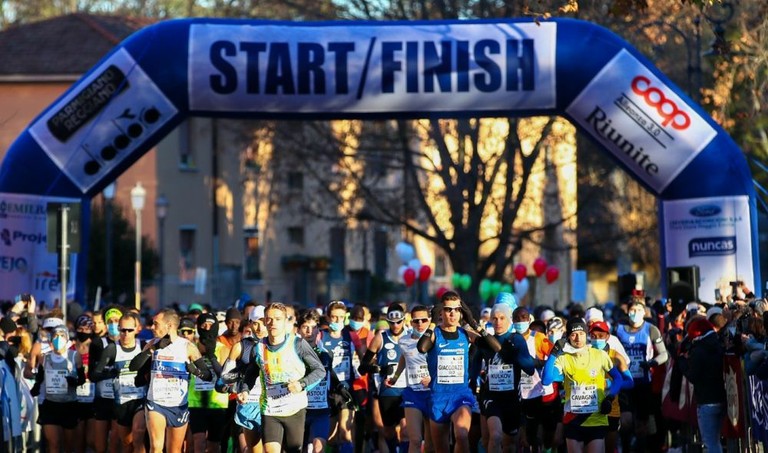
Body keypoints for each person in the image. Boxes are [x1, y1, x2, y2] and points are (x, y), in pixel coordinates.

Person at [417, 291, 501, 453]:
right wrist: (433, 323)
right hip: (438, 396)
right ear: (441, 311)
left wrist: (474, 323)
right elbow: (422, 347)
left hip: (460, 395)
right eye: (448, 309)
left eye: (456, 309)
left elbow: (496, 348)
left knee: (462, 436)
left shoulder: (465, 334)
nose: (453, 313)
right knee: (440, 448)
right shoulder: (435, 334)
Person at [240, 302, 326, 453]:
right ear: (265, 321)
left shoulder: (297, 344)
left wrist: (302, 384)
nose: (273, 323)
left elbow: (319, 370)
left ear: (286, 321)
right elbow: (251, 373)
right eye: (269, 319)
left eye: (278, 319)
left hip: (295, 409)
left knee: (293, 450)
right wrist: (245, 389)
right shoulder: (258, 348)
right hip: (270, 409)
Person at [129, 308, 214, 453]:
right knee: (156, 447)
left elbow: (208, 375)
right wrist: (153, 349)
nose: (152, 327)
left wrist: (194, 370)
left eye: (156, 324)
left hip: (178, 405)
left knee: (174, 450)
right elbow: (133, 366)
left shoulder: (187, 346)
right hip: (156, 402)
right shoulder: (152, 343)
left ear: (169, 325)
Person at [542, 318, 627, 453]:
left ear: (586, 334)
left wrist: (610, 397)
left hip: (596, 418)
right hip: (573, 420)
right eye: (573, 334)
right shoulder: (564, 358)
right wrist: (554, 351)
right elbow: (546, 380)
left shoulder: (600, 355)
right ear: (568, 336)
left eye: (581, 333)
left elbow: (618, 378)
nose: (578, 338)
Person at [476, 303, 535, 453]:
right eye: (494, 318)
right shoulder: (485, 341)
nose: (498, 322)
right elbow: (473, 367)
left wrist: (517, 355)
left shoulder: (517, 340)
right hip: (491, 397)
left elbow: (529, 369)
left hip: (512, 399)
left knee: (510, 445)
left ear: (509, 320)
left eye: (502, 318)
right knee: (495, 437)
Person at [90, 311, 148, 453]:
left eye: (130, 330)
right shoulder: (112, 349)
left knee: (138, 434)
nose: (126, 334)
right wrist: (110, 373)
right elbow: (94, 375)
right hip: (121, 401)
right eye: (122, 330)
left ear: (137, 329)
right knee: (126, 442)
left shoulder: (144, 346)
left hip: (140, 399)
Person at [615, 299, 668, 452]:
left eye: (638, 310)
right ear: (627, 311)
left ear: (644, 312)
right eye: (632, 310)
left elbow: (664, 354)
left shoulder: (651, 329)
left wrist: (651, 363)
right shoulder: (619, 330)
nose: (635, 313)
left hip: (644, 383)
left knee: (642, 425)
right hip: (625, 383)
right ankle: (625, 447)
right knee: (625, 421)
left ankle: (641, 448)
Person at [359, 303, 408, 453]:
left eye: (399, 322)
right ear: (387, 322)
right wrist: (379, 369)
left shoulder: (411, 336)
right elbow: (362, 367)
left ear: (404, 320)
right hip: (387, 391)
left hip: (408, 389)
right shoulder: (380, 338)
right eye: (392, 322)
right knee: (388, 431)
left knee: (406, 429)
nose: (396, 325)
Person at [298, 309, 349, 453]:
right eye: (305, 327)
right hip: (299, 411)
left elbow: (329, 374)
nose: (309, 331)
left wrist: (339, 387)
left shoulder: (326, 355)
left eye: (313, 327)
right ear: (299, 329)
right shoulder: (292, 354)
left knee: (319, 448)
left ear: (318, 331)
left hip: (320, 409)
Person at [218, 305, 266, 453]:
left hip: (273, 403)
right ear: (250, 323)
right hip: (249, 403)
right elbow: (222, 380)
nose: (259, 327)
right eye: (255, 322)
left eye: (263, 321)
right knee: (254, 449)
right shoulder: (241, 347)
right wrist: (233, 387)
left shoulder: (279, 347)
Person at [320, 300, 364, 453]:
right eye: (334, 317)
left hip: (347, 390)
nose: (337, 320)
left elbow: (363, 359)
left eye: (341, 317)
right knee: (331, 437)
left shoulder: (351, 336)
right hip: (328, 391)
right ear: (327, 317)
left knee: (345, 432)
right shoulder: (321, 336)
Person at [513, 306, 558, 453]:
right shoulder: (510, 338)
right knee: (524, 431)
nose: (521, 321)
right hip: (517, 392)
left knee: (542, 429)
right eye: (517, 318)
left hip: (537, 392)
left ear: (529, 319)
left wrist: (537, 362)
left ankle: (546, 448)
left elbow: (554, 357)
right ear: (513, 321)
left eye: (524, 317)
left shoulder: (538, 337)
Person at [388, 304, 433, 453]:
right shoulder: (404, 340)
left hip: (432, 393)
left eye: (424, 320)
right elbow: (404, 357)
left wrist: (433, 380)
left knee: (430, 443)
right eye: (416, 321)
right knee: (414, 439)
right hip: (413, 392)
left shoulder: (436, 339)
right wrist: (395, 377)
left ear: (429, 320)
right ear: (411, 321)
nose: (420, 324)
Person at [35, 325, 86, 452]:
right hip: (50, 406)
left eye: (62, 336)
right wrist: (36, 388)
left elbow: (82, 380)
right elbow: (40, 378)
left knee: (68, 446)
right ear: (51, 340)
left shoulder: (75, 356)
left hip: (69, 405)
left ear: (67, 339)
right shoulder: (44, 358)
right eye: (55, 336)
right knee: (54, 444)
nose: (58, 339)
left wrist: (74, 382)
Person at [678, 317, 726, 453]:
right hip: (720, 398)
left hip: (706, 402)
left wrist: (682, 363)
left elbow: (693, 376)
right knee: (716, 442)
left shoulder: (699, 351)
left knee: (710, 443)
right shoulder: (718, 345)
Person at [588, 321, 633, 453]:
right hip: (589, 408)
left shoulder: (616, 356)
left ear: (607, 336)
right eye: (594, 336)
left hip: (611, 409)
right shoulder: (585, 354)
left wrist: (609, 384)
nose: (597, 339)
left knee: (609, 448)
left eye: (600, 336)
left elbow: (630, 382)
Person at [188, 313, 228, 453]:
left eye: (210, 325)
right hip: (195, 402)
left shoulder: (223, 348)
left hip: (217, 403)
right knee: (198, 441)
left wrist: (212, 356)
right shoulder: (192, 347)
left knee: (213, 445)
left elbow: (225, 375)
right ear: (198, 327)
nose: (207, 329)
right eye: (203, 326)